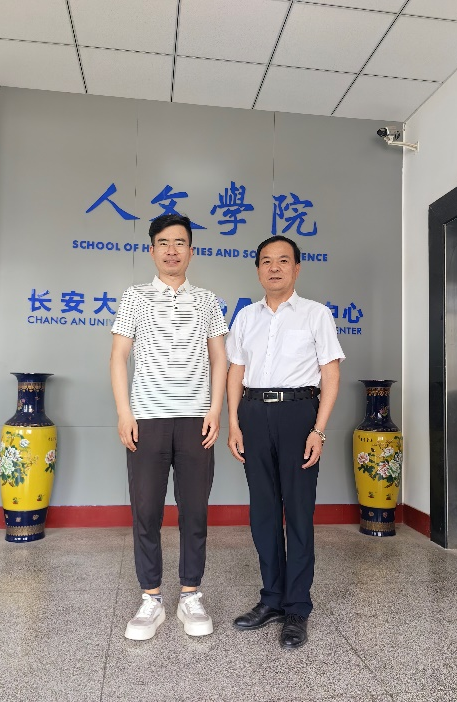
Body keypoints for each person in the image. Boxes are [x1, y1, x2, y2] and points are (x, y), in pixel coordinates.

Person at [110, 213, 228, 641]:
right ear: (152, 250)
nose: (172, 250)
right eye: (163, 243)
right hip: (147, 420)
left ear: (191, 250)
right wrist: (125, 413)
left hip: (196, 420)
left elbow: (219, 358)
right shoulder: (135, 297)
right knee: (146, 511)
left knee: (194, 510)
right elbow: (118, 356)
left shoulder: (208, 300)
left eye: (180, 243)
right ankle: (152, 599)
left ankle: (190, 595)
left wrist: (215, 410)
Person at [226, 235, 345, 649]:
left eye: (282, 261)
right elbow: (235, 371)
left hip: (299, 415)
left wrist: (319, 429)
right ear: (258, 269)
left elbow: (330, 375)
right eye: (266, 261)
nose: (274, 268)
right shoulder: (245, 317)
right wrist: (234, 423)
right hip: (253, 413)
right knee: (262, 512)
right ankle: (272, 599)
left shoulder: (316, 314)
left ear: (297, 268)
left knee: (297, 512)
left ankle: (297, 607)